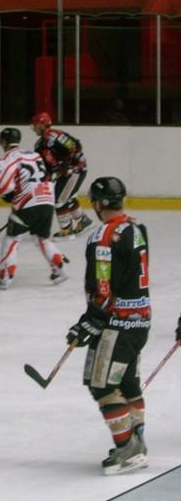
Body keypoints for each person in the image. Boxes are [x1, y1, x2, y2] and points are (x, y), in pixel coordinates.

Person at [65, 176, 149, 475]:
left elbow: (103, 287)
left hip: (116, 324)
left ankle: (128, 448)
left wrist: (91, 321)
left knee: (101, 383)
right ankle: (137, 441)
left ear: (98, 204)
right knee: (127, 382)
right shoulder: (137, 229)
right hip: (140, 321)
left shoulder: (103, 237)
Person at [0, 127, 68, 290]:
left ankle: (5, 277)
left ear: (4, 142)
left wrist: (12, 199)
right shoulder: (34, 155)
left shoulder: (7, 159)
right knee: (41, 238)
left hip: (27, 203)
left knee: (11, 239)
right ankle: (59, 269)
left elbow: (4, 187)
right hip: (47, 199)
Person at [31, 111, 94, 238]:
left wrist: (66, 164)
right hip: (67, 173)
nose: (34, 128)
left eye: (36, 125)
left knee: (59, 200)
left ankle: (66, 229)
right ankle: (83, 221)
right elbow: (45, 166)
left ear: (43, 125)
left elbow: (75, 146)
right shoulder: (40, 144)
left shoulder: (54, 135)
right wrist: (44, 179)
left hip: (75, 170)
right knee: (67, 197)